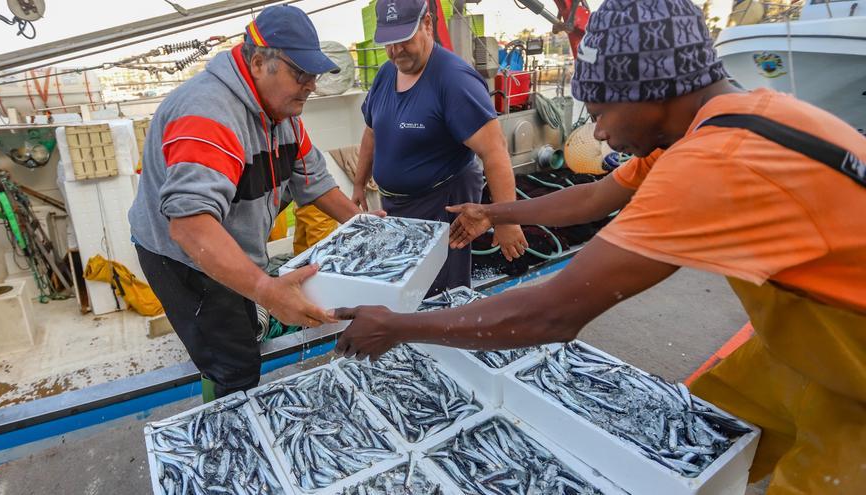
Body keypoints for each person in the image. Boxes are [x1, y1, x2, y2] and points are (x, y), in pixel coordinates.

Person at [333, 0, 866, 492]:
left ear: (651, 91)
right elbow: (594, 196)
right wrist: (494, 212)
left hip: (852, 360)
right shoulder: (726, 121)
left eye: (601, 111)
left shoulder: (716, 163)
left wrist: (396, 326)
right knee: (692, 434)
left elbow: (551, 315)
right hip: (807, 343)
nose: (600, 135)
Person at [129, 5, 371, 400]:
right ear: (259, 62)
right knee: (233, 362)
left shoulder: (284, 113)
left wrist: (369, 226)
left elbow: (316, 183)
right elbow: (190, 225)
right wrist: (266, 289)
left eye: (314, 75)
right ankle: (224, 417)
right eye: (301, 74)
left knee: (243, 331)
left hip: (232, 246)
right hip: (185, 258)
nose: (311, 85)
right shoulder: (208, 112)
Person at [351, 0, 527, 296]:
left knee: (441, 291)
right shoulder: (385, 74)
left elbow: (494, 151)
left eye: (404, 39)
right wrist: (358, 183)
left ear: (428, 24)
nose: (396, 51)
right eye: (389, 43)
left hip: (442, 203)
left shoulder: (454, 80)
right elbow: (372, 132)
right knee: (406, 286)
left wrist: (505, 221)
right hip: (395, 206)